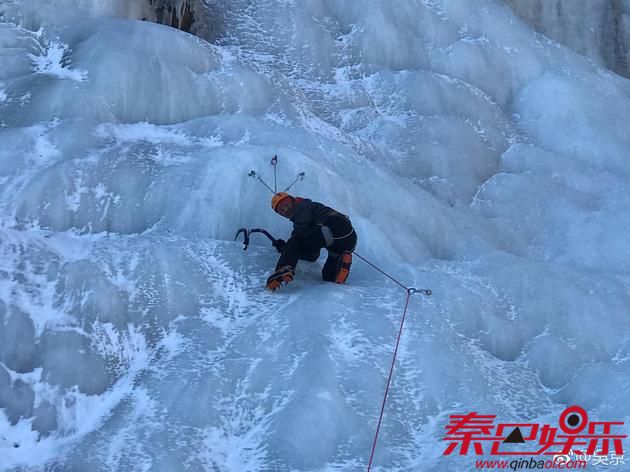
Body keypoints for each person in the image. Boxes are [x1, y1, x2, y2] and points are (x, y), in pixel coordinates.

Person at [266, 192, 357, 290]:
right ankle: (344, 261)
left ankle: (284, 268)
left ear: (293, 200)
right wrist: (286, 248)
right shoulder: (308, 217)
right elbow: (311, 256)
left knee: (296, 239)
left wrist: (286, 249)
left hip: (333, 225)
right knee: (328, 276)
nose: (285, 210)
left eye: (285, 205)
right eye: (281, 211)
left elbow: (298, 236)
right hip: (348, 239)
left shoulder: (302, 206)